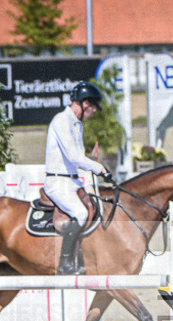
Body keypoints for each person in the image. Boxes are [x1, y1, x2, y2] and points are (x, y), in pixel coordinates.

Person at [44, 81, 112, 275]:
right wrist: (100, 168)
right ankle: (65, 264)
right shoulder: (61, 121)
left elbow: (78, 158)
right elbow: (74, 157)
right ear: (85, 103)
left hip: (72, 182)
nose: (94, 112)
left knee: (96, 208)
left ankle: (85, 259)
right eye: (93, 108)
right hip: (57, 182)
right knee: (80, 214)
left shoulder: (77, 125)